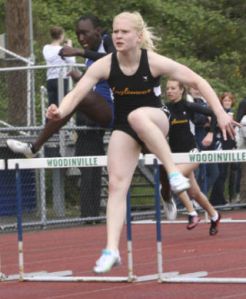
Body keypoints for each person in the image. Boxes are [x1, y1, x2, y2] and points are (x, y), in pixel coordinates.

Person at [46, 11, 238, 274]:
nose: (119, 36)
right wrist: (59, 111)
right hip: (125, 127)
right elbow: (77, 94)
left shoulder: (153, 62)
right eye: (115, 31)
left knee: (138, 115)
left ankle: (173, 172)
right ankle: (112, 249)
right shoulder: (105, 64)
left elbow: (197, 80)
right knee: (116, 184)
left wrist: (218, 112)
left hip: (156, 119)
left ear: (138, 36)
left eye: (124, 31)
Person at [6, 15, 114, 157]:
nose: (81, 38)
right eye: (78, 34)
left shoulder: (108, 40)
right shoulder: (91, 54)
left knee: (78, 95)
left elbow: (115, 60)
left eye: (84, 33)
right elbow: (97, 83)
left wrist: (79, 51)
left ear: (97, 31)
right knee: (73, 95)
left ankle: (36, 146)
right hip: (99, 109)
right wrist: (81, 78)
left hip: (115, 110)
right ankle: (33, 148)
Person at [161, 79, 221, 232]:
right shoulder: (165, 109)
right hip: (175, 154)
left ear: (181, 90)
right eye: (168, 88)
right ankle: (214, 215)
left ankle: (192, 213)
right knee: (194, 192)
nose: (169, 91)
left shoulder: (189, 106)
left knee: (174, 178)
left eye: (173, 88)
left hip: (192, 153)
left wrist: (211, 133)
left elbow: (213, 114)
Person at [210, 92, 237, 206]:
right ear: (221, 102)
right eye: (225, 100)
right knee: (219, 173)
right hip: (219, 145)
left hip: (228, 146)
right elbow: (215, 126)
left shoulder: (231, 113)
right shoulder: (219, 113)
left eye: (229, 101)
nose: (227, 102)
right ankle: (216, 200)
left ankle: (219, 199)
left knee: (224, 173)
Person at [42, 26, 76, 108]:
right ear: (61, 36)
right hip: (61, 79)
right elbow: (72, 61)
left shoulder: (46, 48)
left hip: (50, 79)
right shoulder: (62, 50)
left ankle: (50, 120)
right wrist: (69, 48)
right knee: (62, 106)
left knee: (52, 106)